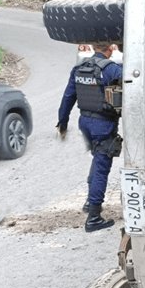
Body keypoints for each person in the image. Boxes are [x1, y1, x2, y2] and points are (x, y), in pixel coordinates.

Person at [56, 43, 123, 232]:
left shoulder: (79, 68)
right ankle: (94, 217)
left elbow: (68, 96)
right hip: (103, 124)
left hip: (84, 122)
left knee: (97, 159)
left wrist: (62, 122)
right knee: (102, 167)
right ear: (111, 47)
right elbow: (132, 80)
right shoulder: (110, 69)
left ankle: (89, 202)